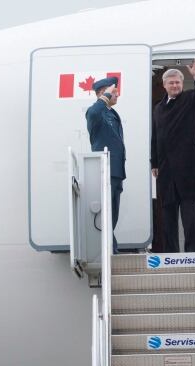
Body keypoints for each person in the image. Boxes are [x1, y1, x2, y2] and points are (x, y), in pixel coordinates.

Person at [150, 58, 195, 253]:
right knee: (168, 216)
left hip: (187, 168)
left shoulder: (190, 99)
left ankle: (192, 254)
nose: (175, 85)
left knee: (189, 215)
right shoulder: (158, 108)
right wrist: (154, 162)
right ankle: (171, 254)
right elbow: (155, 137)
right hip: (166, 170)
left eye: (178, 82)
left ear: (182, 85)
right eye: (171, 82)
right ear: (165, 85)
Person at [85, 76, 125, 253]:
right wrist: (105, 97)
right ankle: (110, 248)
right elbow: (93, 113)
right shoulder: (97, 112)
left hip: (116, 170)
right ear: (103, 93)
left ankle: (111, 245)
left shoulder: (112, 113)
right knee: (107, 211)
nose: (117, 95)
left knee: (113, 211)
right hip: (106, 169)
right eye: (113, 92)